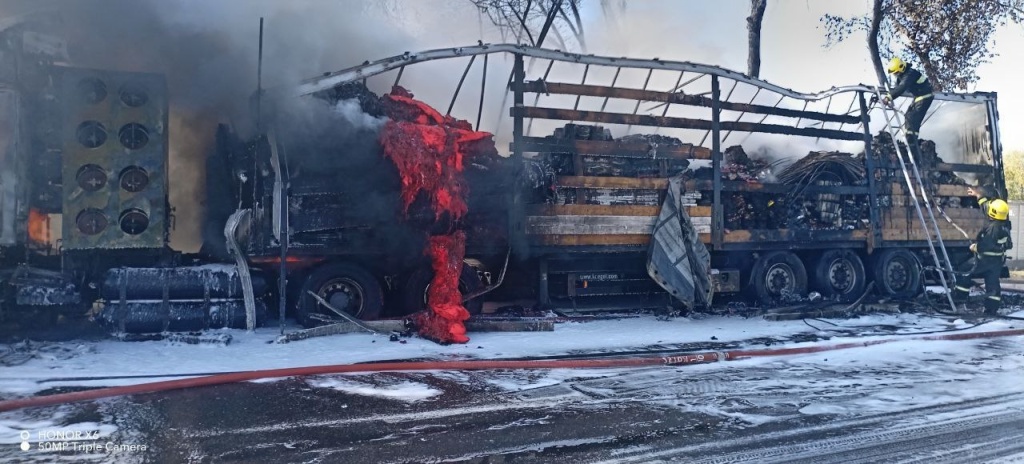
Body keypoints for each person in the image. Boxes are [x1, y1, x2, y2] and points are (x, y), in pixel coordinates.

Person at [952, 199, 1012, 314]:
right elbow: (1009, 244)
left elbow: (986, 244)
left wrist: (975, 247)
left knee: (964, 270)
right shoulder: (1005, 226)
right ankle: (992, 308)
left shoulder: (993, 227)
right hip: (997, 261)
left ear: (993, 211)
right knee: (992, 283)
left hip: (984, 259)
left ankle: (959, 301)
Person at [882, 57, 934, 164]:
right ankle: (909, 140)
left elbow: (902, 87)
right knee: (908, 116)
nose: (896, 75)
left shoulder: (910, 74)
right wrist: (890, 94)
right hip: (918, 97)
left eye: (896, 73)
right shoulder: (902, 75)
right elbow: (898, 88)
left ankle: (911, 145)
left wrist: (889, 97)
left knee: (912, 119)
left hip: (924, 96)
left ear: (901, 68)